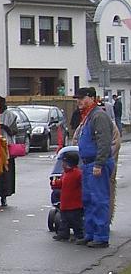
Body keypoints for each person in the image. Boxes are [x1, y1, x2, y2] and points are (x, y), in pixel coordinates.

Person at [72, 86, 115, 248]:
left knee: (99, 200)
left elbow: (104, 142)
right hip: (88, 164)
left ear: (91, 98)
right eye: (77, 99)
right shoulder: (88, 116)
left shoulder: (98, 116)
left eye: (81, 99)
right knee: (88, 200)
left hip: (97, 164)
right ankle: (90, 233)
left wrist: (99, 163)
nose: (79, 102)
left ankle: (101, 236)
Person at [50, 151, 84, 242]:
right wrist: (54, 183)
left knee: (76, 221)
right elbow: (61, 184)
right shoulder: (65, 173)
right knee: (64, 221)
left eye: (64, 163)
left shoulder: (77, 173)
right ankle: (63, 234)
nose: (62, 165)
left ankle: (79, 235)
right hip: (65, 203)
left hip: (74, 204)